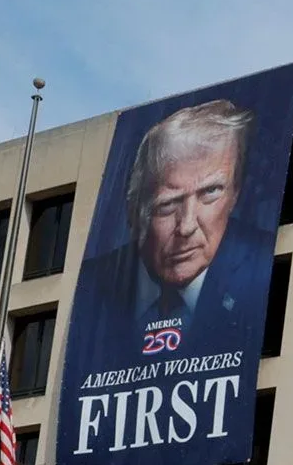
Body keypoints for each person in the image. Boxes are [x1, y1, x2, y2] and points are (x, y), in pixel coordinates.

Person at [73, 100, 259, 363]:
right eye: (168, 204)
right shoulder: (90, 289)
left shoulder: (261, 270)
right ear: (135, 211)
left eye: (210, 192)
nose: (187, 226)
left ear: (235, 194)